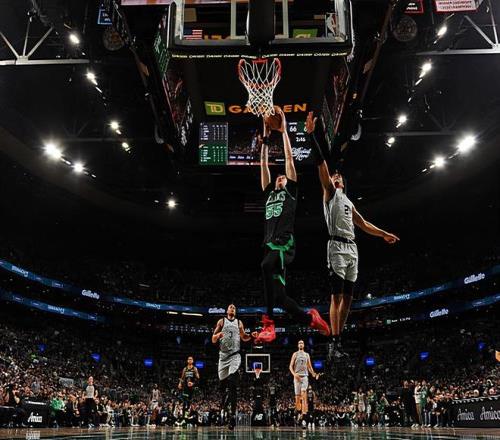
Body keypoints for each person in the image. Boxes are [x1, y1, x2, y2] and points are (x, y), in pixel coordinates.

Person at [305, 111, 400, 359]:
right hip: (336, 246)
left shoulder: (348, 201)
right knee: (336, 296)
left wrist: (383, 234)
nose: (335, 176)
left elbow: (364, 223)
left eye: (338, 176)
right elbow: (321, 165)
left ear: (343, 181)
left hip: (352, 248)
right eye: (333, 175)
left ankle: (340, 339)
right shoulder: (330, 193)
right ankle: (333, 342)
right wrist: (312, 136)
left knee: (348, 298)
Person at [254, 109, 330, 343]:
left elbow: (288, 158)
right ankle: (310, 319)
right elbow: (263, 163)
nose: (280, 177)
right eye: (278, 177)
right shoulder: (268, 193)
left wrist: (284, 131)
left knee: (265, 265)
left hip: (283, 244)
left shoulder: (291, 192)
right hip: (270, 246)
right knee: (280, 298)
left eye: (283, 177)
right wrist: (266, 137)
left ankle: (269, 324)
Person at [212, 304, 253, 430]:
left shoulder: (239, 323)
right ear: (227, 311)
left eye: (234, 308)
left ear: (235, 311)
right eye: (230, 307)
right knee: (222, 387)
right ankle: (224, 405)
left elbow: (244, 337)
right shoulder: (221, 321)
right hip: (223, 357)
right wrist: (218, 335)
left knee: (232, 384)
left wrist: (252, 335)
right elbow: (213, 339)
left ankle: (232, 416)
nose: (232, 308)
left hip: (235, 355)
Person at [289, 339, 320, 429]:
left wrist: (314, 374)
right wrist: (294, 374)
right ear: (298, 345)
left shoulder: (307, 355)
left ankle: (304, 419)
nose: (301, 344)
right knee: (297, 400)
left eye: (302, 343)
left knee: (304, 396)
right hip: (296, 377)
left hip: (305, 377)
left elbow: (309, 367)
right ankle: (299, 413)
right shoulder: (295, 354)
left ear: (304, 345)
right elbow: (290, 366)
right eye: (299, 343)